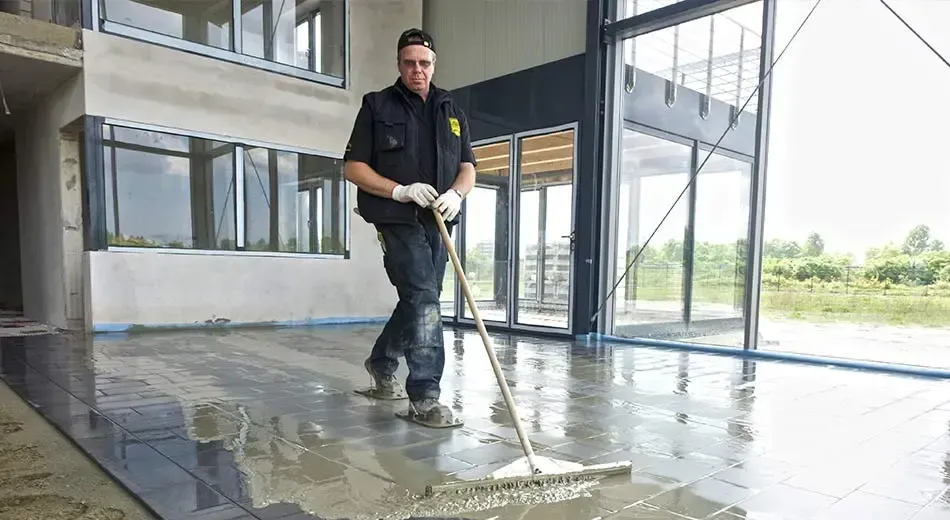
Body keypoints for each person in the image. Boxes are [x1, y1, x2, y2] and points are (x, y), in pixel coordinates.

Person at [342, 28, 476, 428]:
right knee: (424, 298)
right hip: (396, 218)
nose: (418, 70)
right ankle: (425, 396)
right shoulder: (377, 105)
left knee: (421, 299)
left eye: (425, 63)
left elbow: (468, 166)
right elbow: (353, 167)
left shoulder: (451, 110)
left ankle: (381, 361)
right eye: (409, 63)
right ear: (399, 64)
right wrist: (399, 191)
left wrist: (457, 193)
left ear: (434, 64)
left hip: (439, 220)